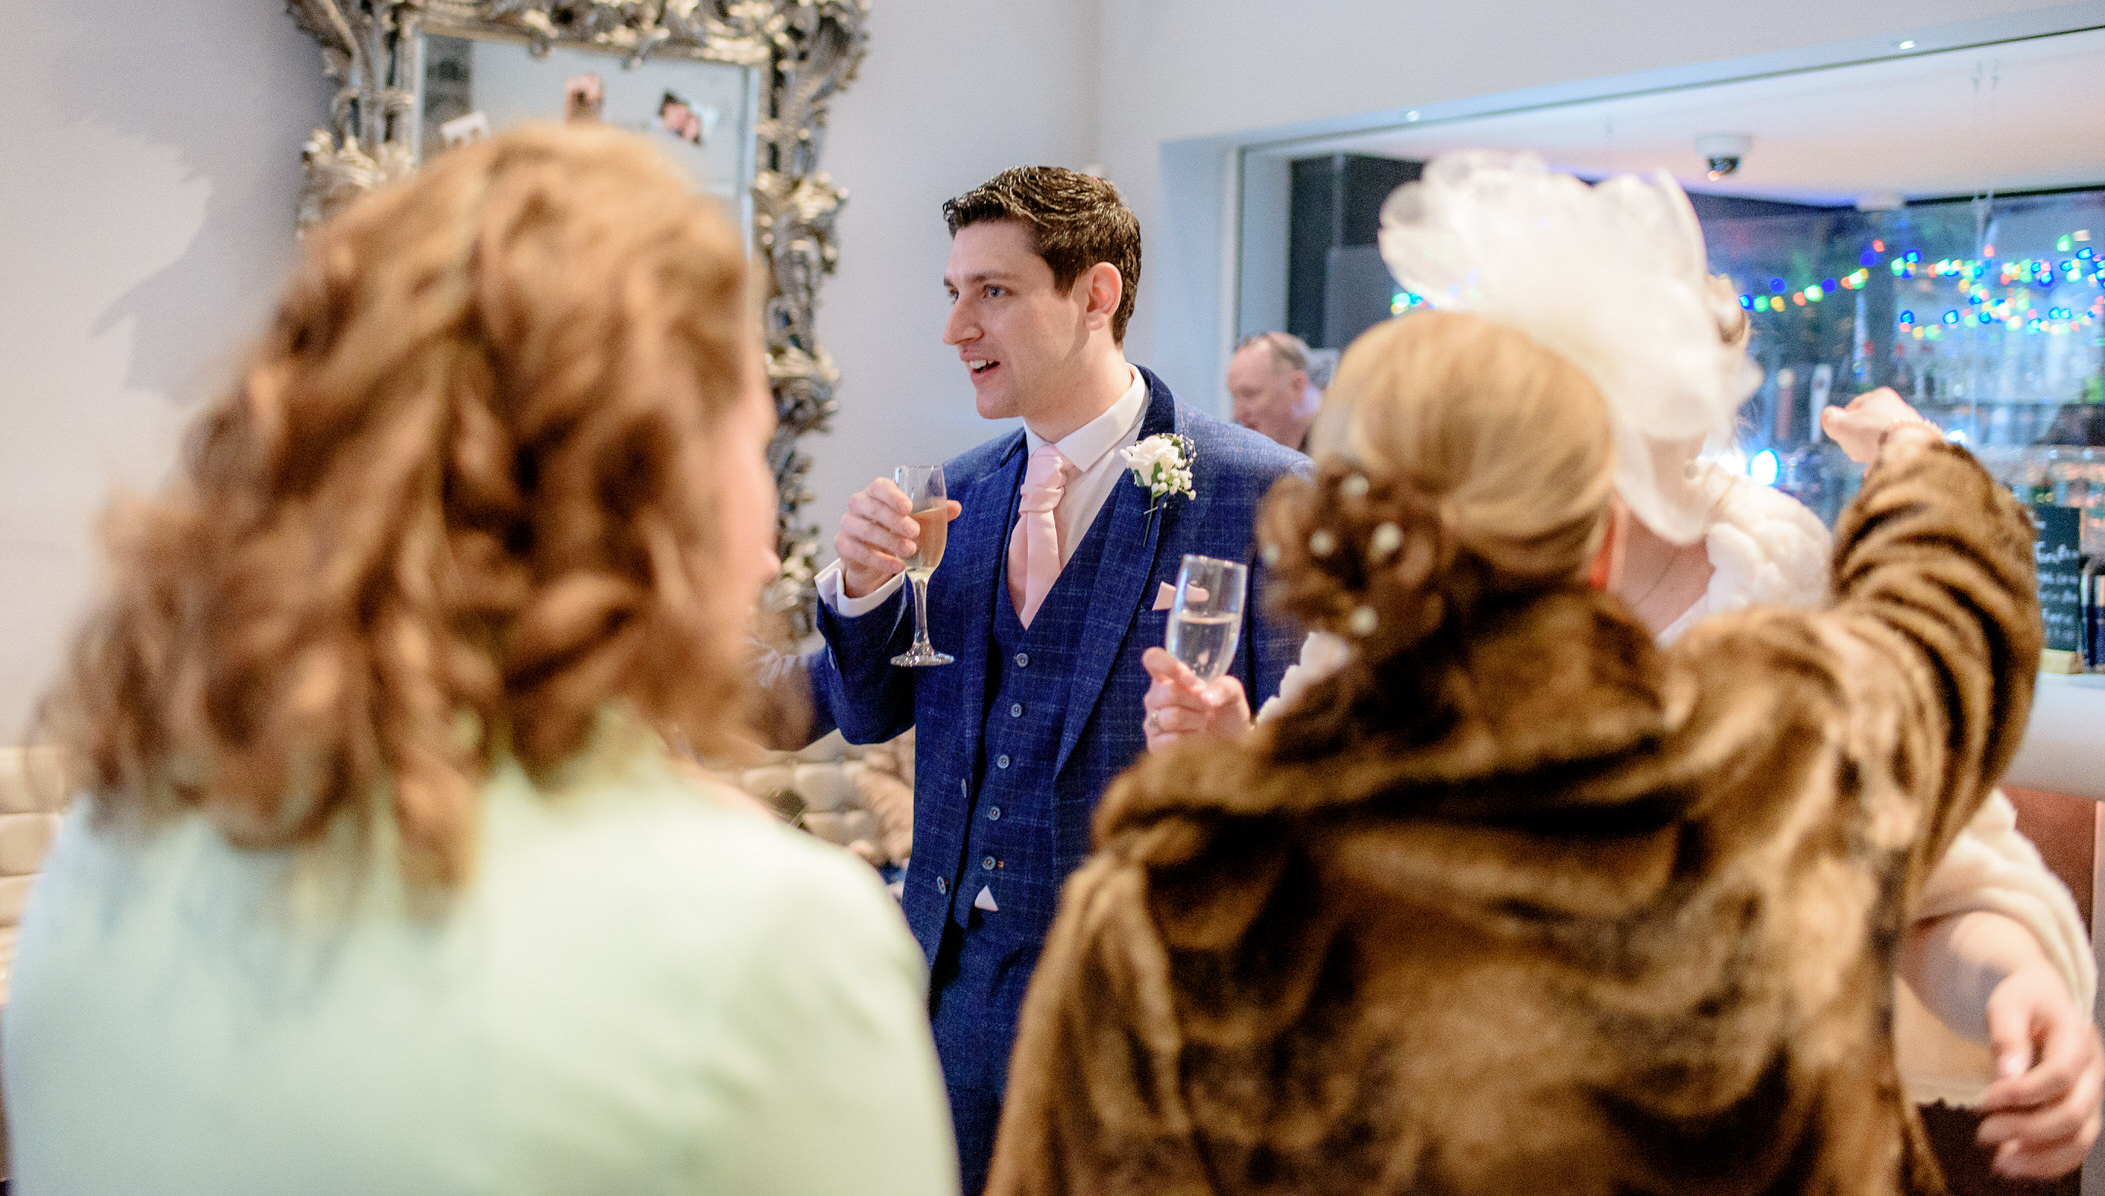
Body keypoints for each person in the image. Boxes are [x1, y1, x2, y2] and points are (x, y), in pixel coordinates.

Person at [6, 127, 958, 1196]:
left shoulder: (114, 837)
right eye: (754, 437)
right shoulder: (779, 948)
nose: (771, 528)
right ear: (651, 492)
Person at [1142, 152, 2104, 1183]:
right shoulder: (1424, 572)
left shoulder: (1770, 566)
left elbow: (1927, 877)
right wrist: (1237, 743)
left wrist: (2014, 989)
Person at [990, 305, 2040, 1195]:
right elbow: (1941, 624)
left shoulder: (1171, 907)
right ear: (1604, 540)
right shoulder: (1774, 759)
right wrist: (1915, 459)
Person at [810, 166, 1306, 1194]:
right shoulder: (960, 494)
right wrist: (862, 593)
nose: (957, 326)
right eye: (952, 292)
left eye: (991, 290)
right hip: (948, 995)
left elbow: (1342, 771)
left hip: (1142, 1010)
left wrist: (1245, 748)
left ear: (1095, 295)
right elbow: (869, 707)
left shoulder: (1263, 493)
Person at [1226, 332, 1322, 451]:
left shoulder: (1341, 455)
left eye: (1249, 394)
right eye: (1235, 397)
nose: (1237, 413)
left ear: (1297, 386)